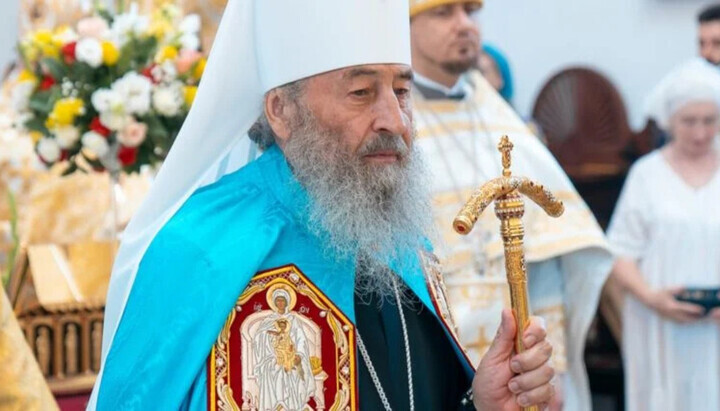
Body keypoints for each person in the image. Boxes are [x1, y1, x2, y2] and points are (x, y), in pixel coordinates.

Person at [89, 0, 556, 409]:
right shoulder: (200, 251)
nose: (395, 121)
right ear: (281, 111)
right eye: (361, 93)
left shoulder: (396, 236)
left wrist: (483, 403)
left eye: (401, 91)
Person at [408, 1, 613, 410]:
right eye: (444, 13)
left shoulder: (496, 115)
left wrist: (550, 361)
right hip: (440, 353)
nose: (465, 25)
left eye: (470, 11)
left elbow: (551, 251)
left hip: (522, 361)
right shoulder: (394, 121)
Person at [607, 58, 720, 411]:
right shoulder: (646, 174)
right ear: (670, 121)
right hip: (659, 325)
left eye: (710, 120)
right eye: (689, 121)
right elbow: (619, 252)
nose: (700, 132)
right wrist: (652, 296)